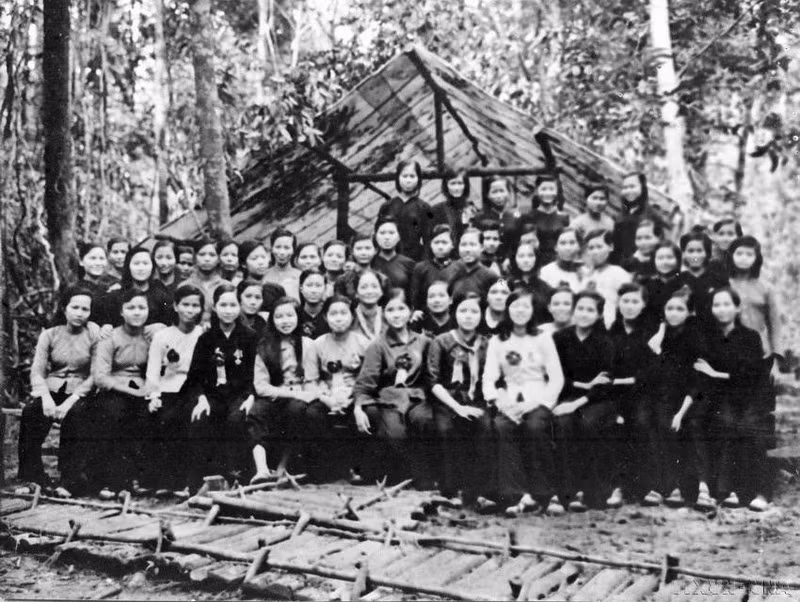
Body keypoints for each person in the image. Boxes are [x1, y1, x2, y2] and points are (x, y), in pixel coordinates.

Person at [481, 289, 564, 515]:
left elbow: (556, 378)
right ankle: (516, 495)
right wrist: (501, 403)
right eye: (515, 306)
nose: (520, 311)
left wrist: (539, 403)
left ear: (533, 310)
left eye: (525, 306)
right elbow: (489, 378)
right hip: (509, 398)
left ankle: (543, 493)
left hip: (537, 397)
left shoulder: (542, 338)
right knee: (502, 426)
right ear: (507, 309)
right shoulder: (498, 341)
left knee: (535, 427)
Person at [18, 286, 100, 497]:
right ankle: (33, 478)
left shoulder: (93, 334)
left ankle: (70, 480)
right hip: (52, 389)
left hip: (80, 392)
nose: (79, 313)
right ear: (64, 308)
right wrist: (45, 397)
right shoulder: (50, 334)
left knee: (77, 415)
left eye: (85, 309)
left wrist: (70, 401)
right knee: (31, 412)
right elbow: (37, 371)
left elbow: (95, 374)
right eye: (75, 307)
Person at [693, 288, 769, 512]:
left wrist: (716, 374)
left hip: (747, 396)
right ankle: (717, 490)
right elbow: (700, 369)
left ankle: (744, 491)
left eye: (727, 304)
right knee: (712, 421)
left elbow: (750, 374)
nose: (721, 310)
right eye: (716, 305)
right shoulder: (707, 336)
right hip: (716, 395)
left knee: (742, 427)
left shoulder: (750, 337)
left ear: (738, 308)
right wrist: (716, 377)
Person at [352, 289, 435, 485]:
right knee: (396, 434)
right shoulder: (378, 345)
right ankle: (402, 475)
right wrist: (358, 407)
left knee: (425, 420)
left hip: (418, 398)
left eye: (401, 309)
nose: (396, 315)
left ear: (411, 311)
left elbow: (431, 376)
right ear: (383, 312)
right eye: (390, 310)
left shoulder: (424, 342)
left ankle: (426, 476)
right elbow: (365, 382)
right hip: (388, 400)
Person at [184, 283, 258, 489]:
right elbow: (195, 377)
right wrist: (201, 399)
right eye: (223, 305)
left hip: (240, 394)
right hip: (212, 395)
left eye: (233, 305)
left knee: (237, 419)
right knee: (201, 418)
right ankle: (198, 483)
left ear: (240, 307)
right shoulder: (206, 338)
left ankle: (236, 478)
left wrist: (251, 396)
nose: (228, 310)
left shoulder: (250, 337)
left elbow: (256, 373)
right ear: (215, 307)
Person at [637, 286, 704, 508]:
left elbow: (694, 381)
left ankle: (676, 487)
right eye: (669, 308)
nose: (673, 313)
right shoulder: (658, 336)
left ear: (689, 313)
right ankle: (660, 486)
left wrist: (680, 413)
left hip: (685, 398)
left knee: (671, 426)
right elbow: (651, 376)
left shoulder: (693, 338)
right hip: (659, 396)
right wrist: (655, 347)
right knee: (648, 422)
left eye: (679, 309)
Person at [552, 290, 615, 511]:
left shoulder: (605, 342)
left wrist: (580, 399)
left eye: (590, 310)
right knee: (562, 424)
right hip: (568, 394)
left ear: (598, 315)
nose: (584, 314)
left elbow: (605, 382)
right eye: (580, 308)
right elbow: (556, 375)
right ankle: (566, 493)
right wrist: (581, 385)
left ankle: (592, 492)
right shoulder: (560, 338)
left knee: (588, 424)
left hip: (597, 401)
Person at [90, 289, 155, 499]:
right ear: (121, 311)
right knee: (114, 415)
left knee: (152, 416)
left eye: (141, 308)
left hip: (144, 389)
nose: (136, 313)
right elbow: (100, 377)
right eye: (131, 308)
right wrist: (131, 391)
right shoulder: (110, 338)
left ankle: (141, 479)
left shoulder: (151, 335)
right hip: (114, 391)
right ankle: (112, 481)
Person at [427, 292, 489, 505]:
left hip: (476, 399)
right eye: (463, 311)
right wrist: (456, 407)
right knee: (447, 430)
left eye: (474, 311)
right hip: (447, 400)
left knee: (484, 426)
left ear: (481, 315)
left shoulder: (486, 344)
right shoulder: (441, 341)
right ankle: (450, 490)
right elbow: (433, 381)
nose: (468, 316)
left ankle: (478, 491)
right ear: (455, 313)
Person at [144, 284, 204, 497]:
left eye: (195, 305)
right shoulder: (163, 336)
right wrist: (153, 395)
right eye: (185, 304)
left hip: (195, 389)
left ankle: (189, 482)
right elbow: (153, 371)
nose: (190, 310)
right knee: (165, 419)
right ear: (176, 306)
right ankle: (165, 480)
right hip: (168, 388)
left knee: (191, 420)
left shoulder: (203, 334)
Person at [303, 295, 371, 482]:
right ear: (325, 317)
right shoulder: (318, 344)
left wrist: (353, 396)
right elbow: (310, 381)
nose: (339, 318)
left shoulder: (363, 343)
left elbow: (368, 377)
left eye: (343, 313)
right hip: (327, 395)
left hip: (354, 395)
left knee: (368, 413)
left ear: (351, 316)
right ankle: (326, 468)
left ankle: (357, 468)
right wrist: (327, 398)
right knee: (311, 414)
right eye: (333, 314)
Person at [604, 283, 655, 507]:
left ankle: (644, 487)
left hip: (643, 393)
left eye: (635, 301)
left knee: (642, 423)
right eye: (625, 301)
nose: (630, 306)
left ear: (643, 305)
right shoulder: (612, 331)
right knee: (614, 425)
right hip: (616, 394)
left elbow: (653, 369)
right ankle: (618, 486)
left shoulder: (650, 331)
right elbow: (606, 366)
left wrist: (630, 380)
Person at [252, 296, 315, 479]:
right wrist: (285, 392)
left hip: (303, 396)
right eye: (279, 317)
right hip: (277, 393)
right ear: (272, 320)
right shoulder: (265, 347)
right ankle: (261, 469)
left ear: (298, 317)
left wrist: (304, 393)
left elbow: (313, 378)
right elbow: (261, 386)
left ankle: (283, 467)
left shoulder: (308, 345)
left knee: (296, 411)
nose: (285, 321)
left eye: (290, 315)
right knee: (257, 411)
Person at [726, 235, 782, 361]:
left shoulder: (766, 288)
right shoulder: (724, 285)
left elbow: (775, 325)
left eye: (749, 254)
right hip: (728, 348)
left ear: (756, 258)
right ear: (731, 256)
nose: (744, 258)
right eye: (739, 253)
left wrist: (776, 357)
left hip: (760, 351)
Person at [94, 245, 174, 330]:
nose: (141, 268)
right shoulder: (115, 296)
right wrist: (106, 326)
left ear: (152, 267)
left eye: (145, 263)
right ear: (128, 266)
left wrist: (161, 326)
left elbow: (172, 322)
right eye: (136, 263)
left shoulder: (162, 296)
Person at [375, 160, 432, 261]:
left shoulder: (424, 207)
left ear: (418, 179)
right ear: (398, 178)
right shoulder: (387, 206)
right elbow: (377, 235)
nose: (408, 180)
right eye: (404, 176)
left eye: (412, 176)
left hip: (414, 260)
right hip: (389, 259)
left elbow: (428, 241)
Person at [676, 230, 729, 332]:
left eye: (699, 251)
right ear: (684, 253)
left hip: (715, 333)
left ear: (707, 253)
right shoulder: (679, 279)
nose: (695, 256)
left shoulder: (717, 279)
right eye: (690, 251)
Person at [581, 229, 632, 329]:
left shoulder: (618, 273)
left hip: (609, 326)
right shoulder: (584, 274)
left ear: (610, 247)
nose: (595, 251)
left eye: (599, 247)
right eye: (591, 248)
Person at [612, 172, 660, 264]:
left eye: (632, 187)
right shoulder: (621, 215)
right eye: (625, 188)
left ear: (643, 188)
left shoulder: (652, 216)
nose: (628, 191)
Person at [409, 224, 461, 311]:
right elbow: (415, 297)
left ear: (452, 245)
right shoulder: (421, 268)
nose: (440, 247)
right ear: (430, 245)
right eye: (436, 242)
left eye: (444, 243)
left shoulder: (459, 268)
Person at [178, 238, 226, 325]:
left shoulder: (226, 286)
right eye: (202, 254)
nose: (207, 259)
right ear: (195, 258)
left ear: (218, 258)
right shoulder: (184, 286)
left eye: (212, 255)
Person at [473, 177, 521, 260]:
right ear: (487, 195)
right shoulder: (479, 217)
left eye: (502, 191)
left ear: (509, 193)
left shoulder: (516, 217)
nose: (499, 196)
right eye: (494, 192)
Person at [527, 173, 569, 266]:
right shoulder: (530, 216)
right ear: (537, 191)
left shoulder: (564, 217)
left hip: (558, 262)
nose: (548, 193)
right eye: (544, 189)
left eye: (551, 189)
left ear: (557, 191)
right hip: (536, 262)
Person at [506, 241, 553, 322]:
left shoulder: (545, 288)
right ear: (514, 259)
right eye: (521, 256)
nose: (526, 260)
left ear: (536, 259)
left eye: (530, 256)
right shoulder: (504, 282)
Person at [642, 241, 683, 330]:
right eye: (660, 258)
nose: (665, 262)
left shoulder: (684, 283)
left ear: (678, 260)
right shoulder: (645, 284)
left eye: (670, 257)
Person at [449, 228, 497, 300]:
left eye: (472, 245)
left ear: (481, 247)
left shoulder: (491, 275)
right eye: (463, 245)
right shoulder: (450, 271)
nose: (467, 249)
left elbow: (502, 285)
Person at [430, 167, 477, 242]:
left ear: (465, 186)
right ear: (446, 186)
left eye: (460, 183)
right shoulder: (436, 210)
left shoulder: (472, 210)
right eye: (453, 183)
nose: (456, 188)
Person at [372, 217, 415, 297]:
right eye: (382, 233)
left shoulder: (409, 264)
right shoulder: (370, 262)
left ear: (399, 236)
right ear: (375, 236)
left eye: (391, 233)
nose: (387, 237)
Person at [334, 233, 377, 301]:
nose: (363, 253)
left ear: (375, 250)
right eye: (359, 249)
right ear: (352, 251)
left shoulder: (381, 278)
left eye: (367, 248)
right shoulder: (343, 280)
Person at [539, 228, 583, 293]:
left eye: (572, 242)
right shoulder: (546, 272)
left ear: (579, 246)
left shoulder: (586, 272)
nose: (568, 248)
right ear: (556, 247)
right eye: (563, 243)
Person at [264, 228, 301, 301]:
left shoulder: (300, 276)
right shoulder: (264, 275)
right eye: (278, 247)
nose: (282, 252)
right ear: (272, 248)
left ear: (293, 250)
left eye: (287, 248)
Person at [350, 269, 388, 341]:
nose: (370, 291)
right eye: (364, 287)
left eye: (374, 286)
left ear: (381, 291)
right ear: (356, 293)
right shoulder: (350, 318)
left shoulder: (389, 317)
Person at [298, 268, 330, 339]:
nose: (313, 290)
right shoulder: (295, 315)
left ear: (325, 288)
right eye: (309, 285)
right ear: (301, 288)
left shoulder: (330, 315)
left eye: (318, 286)